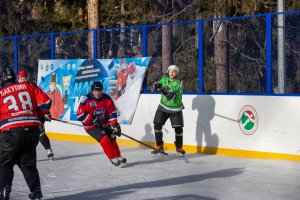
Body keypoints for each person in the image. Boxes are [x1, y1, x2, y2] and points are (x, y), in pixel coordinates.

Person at [0, 68, 52, 200]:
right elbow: (45, 102)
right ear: (15, 79)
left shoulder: (1, 92)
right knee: (28, 164)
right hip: (32, 129)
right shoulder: (29, 85)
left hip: (10, 132)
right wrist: (42, 114)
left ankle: (4, 192)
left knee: (5, 164)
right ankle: (36, 192)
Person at [76, 81, 127, 167]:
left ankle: (118, 155)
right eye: (95, 91)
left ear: (102, 91)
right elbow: (80, 115)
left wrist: (114, 125)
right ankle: (112, 157)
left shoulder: (106, 98)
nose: (97, 93)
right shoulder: (86, 99)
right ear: (92, 91)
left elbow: (112, 112)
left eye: (99, 91)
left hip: (104, 124)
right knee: (105, 139)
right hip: (91, 126)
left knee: (112, 138)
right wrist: (92, 119)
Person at [17, 71, 54, 160]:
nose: (23, 80)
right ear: (18, 79)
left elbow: (44, 101)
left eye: (24, 78)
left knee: (40, 133)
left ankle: (48, 149)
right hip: (22, 118)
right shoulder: (30, 87)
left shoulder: (31, 87)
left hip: (33, 117)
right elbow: (46, 102)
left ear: (27, 78)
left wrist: (45, 113)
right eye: (21, 79)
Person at [151, 65, 186, 156]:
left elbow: (171, 96)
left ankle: (179, 147)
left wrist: (162, 90)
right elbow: (157, 84)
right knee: (157, 124)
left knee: (178, 128)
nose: (171, 73)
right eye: (170, 71)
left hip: (175, 108)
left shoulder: (178, 83)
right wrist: (156, 85)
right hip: (163, 106)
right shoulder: (164, 79)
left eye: (174, 71)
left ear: (177, 73)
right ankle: (159, 146)